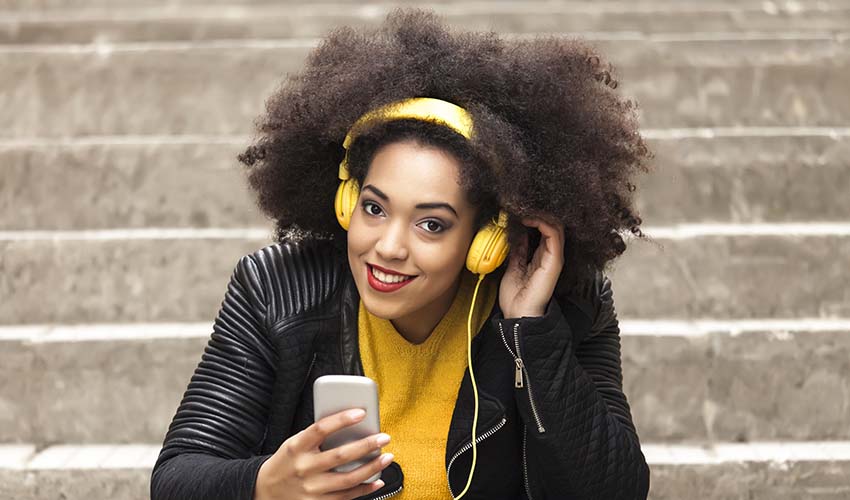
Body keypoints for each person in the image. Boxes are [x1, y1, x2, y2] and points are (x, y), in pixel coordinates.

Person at [150, 7, 654, 500]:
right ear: (347, 200)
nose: (388, 247)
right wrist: (264, 485)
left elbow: (616, 490)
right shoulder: (277, 289)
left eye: (431, 224)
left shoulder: (565, 305)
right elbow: (178, 478)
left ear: (487, 239)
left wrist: (532, 332)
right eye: (373, 208)